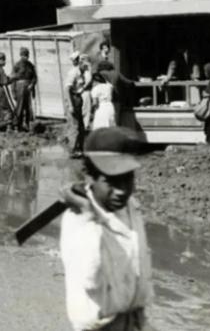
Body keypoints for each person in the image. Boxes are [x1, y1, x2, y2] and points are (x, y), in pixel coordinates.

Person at [59, 127, 153, 331]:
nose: (121, 190)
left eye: (127, 179)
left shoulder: (131, 207)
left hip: (135, 321)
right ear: (90, 177)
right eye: (111, 181)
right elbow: (90, 276)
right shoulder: (77, 221)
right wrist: (88, 214)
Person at [66, 52, 89, 156]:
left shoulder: (81, 72)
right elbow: (67, 89)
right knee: (74, 126)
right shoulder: (73, 73)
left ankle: (79, 149)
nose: (86, 65)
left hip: (78, 98)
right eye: (84, 63)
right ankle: (73, 150)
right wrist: (71, 105)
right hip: (73, 98)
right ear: (79, 62)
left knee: (80, 125)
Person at [11, 47, 37, 132]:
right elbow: (13, 79)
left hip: (28, 88)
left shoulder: (31, 65)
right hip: (20, 88)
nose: (25, 57)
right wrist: (13, 92)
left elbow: (34, 77)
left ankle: (28, 125)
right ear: (20, 55)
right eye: (23, 55)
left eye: (26, 55)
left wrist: (32, 84)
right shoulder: (17, 65)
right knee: (20, 107)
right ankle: (16, 126)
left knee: (29, 107)